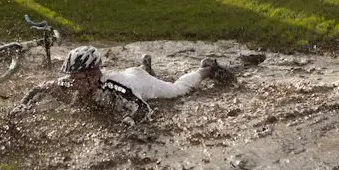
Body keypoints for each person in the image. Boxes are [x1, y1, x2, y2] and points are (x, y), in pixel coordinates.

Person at [13, 46, 226, 123]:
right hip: (130, 75)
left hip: (141, 84)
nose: (73, 82)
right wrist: (22, 108)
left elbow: (143, 109)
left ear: (94, 73)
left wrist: (127, 123)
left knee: (179, 90)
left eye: (79, 77)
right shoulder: (71, 82)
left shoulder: (114, 86)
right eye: (72, 77)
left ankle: (206, 69)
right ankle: (145, 65)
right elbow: (38, 89)